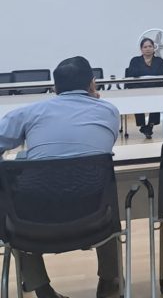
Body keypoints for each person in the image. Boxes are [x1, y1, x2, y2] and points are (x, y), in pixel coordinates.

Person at [0, 56, 121, 298]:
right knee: (106, 196)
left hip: (34, 223)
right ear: (92, 84)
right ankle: (109, 281)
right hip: (94, 219)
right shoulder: (109, 111)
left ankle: (41, 288)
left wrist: (22, 160)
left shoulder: (30, 112)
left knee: (14, 208)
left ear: (55, 88)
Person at [126, 37, 163, 138]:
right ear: (141, 49)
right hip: (138, 89)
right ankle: (143, 125)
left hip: (154, 90)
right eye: (145, 47)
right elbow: (132, 74)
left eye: (150, 46)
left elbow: (162, 76)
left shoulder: (159, 61)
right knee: (137, 98)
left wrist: (143, 73)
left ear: (154, 48)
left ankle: (150, 125)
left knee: (157, 98)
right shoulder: (135, 60)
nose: (148, 49)